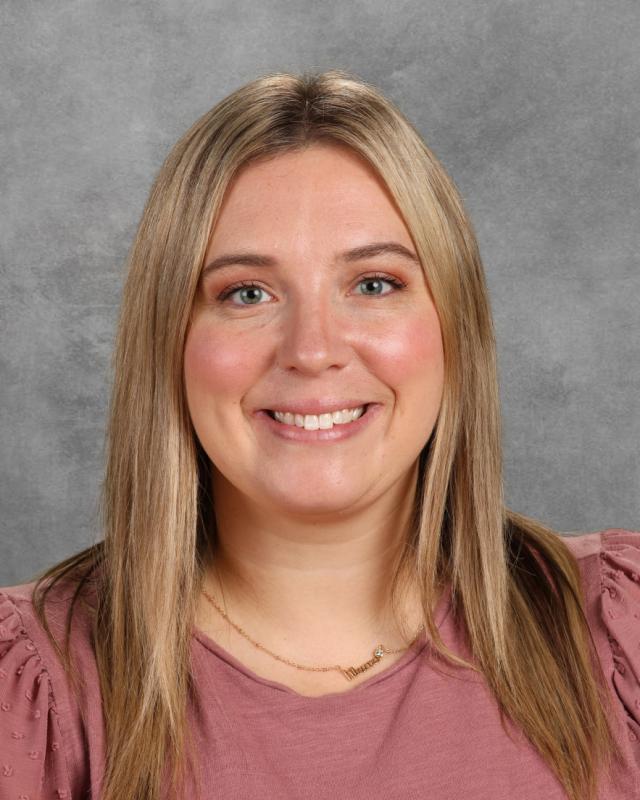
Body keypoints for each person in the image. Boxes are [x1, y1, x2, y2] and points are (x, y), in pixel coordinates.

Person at [0, 69, 638, 800]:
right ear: (168, 342)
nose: (312, 349)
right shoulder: (32, 691)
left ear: (454, 328)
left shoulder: (618, 635)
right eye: (246, 293)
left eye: (373, 284)